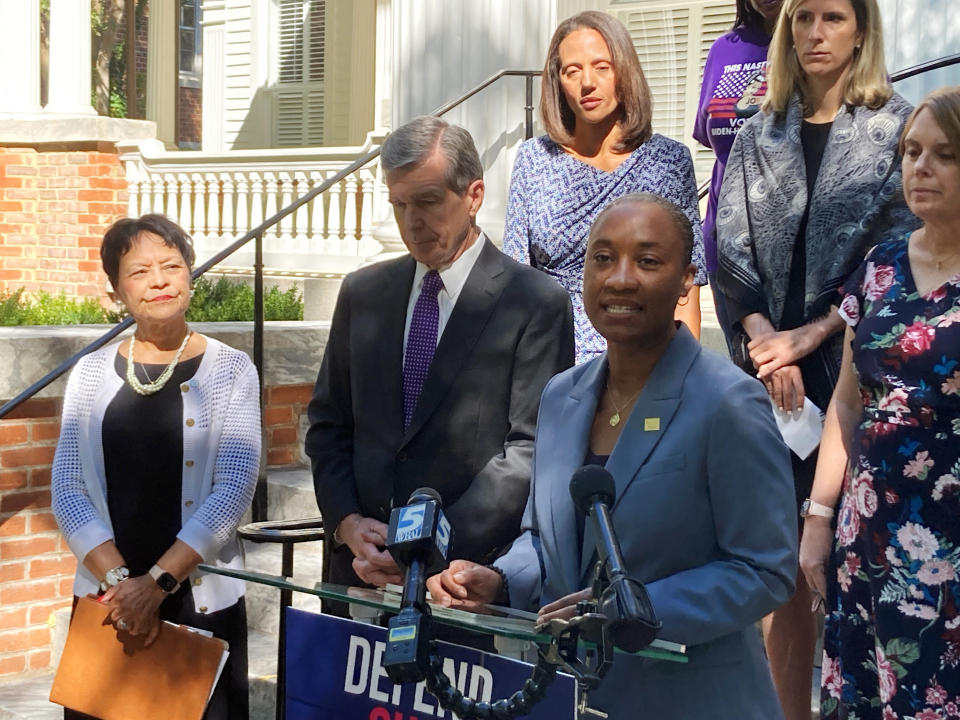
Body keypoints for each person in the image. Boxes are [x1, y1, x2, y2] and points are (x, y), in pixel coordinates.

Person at [428, 193, 797, 719]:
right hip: (572, 698)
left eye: (647, 261)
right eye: (603, 258)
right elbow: (546, 538)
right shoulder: (561, 396)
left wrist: (633, 611)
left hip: (691, 700)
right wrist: (504, 580)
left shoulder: (728, 402)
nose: (620, 278)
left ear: (686, 281)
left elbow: (765, 569)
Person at [715, 1, 919, 716]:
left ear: (861, 28)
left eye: (832, 17)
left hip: (856, 370)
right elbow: (729, 253)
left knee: (838, 559)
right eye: (801, 18)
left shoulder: (897, 128)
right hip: (765, 374)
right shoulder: (756, 130)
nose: (814, 33)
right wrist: (771, 347)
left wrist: (812, 336)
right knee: (780, 564)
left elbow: (896, 257)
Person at [305, 116, 575, 620]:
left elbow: (528, 449)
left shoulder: (535, 303)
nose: (412, 222)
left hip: (461, 581)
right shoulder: (363, 294)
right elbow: (328, 425)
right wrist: (345, 523)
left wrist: (423, 548)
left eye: (427, 201)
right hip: (358, 574)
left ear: (473, 195)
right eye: (399, 205)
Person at [52, 214, 261, 720]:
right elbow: (67, 486)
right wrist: (125, 587)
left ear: (191, 275)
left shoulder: (232, 369)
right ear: (117, 289)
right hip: (109, 604)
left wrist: (158, 584)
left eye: (172, 265)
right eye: (140, 271)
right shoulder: (90, 372)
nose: (160, 280)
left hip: (198, 598)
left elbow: (233, 488)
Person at [799, 86, 960, 720]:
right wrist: (819, 518)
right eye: (911, 151)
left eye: (944, 155)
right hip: (866, 533)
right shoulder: (880, 265)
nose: (919, 168)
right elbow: (847, 401)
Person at [503, 11, 706, 364]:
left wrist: (679, 381)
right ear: (558, 82)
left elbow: (686, 295)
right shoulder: (534, 159)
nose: (587, 83)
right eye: (572, 71)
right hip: (550, 360)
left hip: (644, 362)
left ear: (624, 72)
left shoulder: (669, 161)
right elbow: (514, 283)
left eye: (602, 66)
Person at [694, 0, 782, 352]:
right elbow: (711, 136)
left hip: (794, 256)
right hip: (728, 250)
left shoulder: (821, 52)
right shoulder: (724, 50)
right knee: (748, 384)